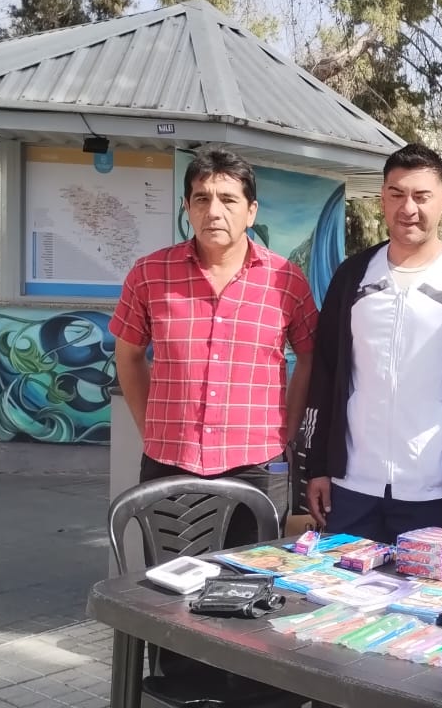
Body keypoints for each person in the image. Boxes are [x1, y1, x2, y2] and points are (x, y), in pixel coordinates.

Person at [301, 143, 442, 544]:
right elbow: (326, 374)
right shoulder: (351, 277)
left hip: (439, 492)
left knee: (430, 606)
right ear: (382, 199)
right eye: (396, 194)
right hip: (353, 486)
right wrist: (318, 467)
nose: (408, 208)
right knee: (346, 603)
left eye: (421, 196)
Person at [111, 148, 317, 547]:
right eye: (201, 199)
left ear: (251, 211)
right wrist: (151, 428)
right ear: (187, 206)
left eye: (228, 199)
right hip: (171, 462)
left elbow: (309, 357)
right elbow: (129, 355)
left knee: (250, 586)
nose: (213, 212)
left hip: (257, 465)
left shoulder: (286, 280)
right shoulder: (150, 274)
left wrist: (286, 434)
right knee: (172, 585)